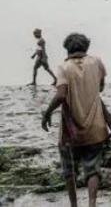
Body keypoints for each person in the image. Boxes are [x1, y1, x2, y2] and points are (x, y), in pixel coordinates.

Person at [41, 33, 107, 207]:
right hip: (96, 126)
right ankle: (92, 204)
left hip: (72, 131)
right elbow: (101, 87)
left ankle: (74, 205)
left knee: (69, 170)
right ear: (86, 47)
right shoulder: (97, 62)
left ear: (67, 48)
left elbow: (61, 95)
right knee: (93, 169)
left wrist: (47, 113)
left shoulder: (64, 67)